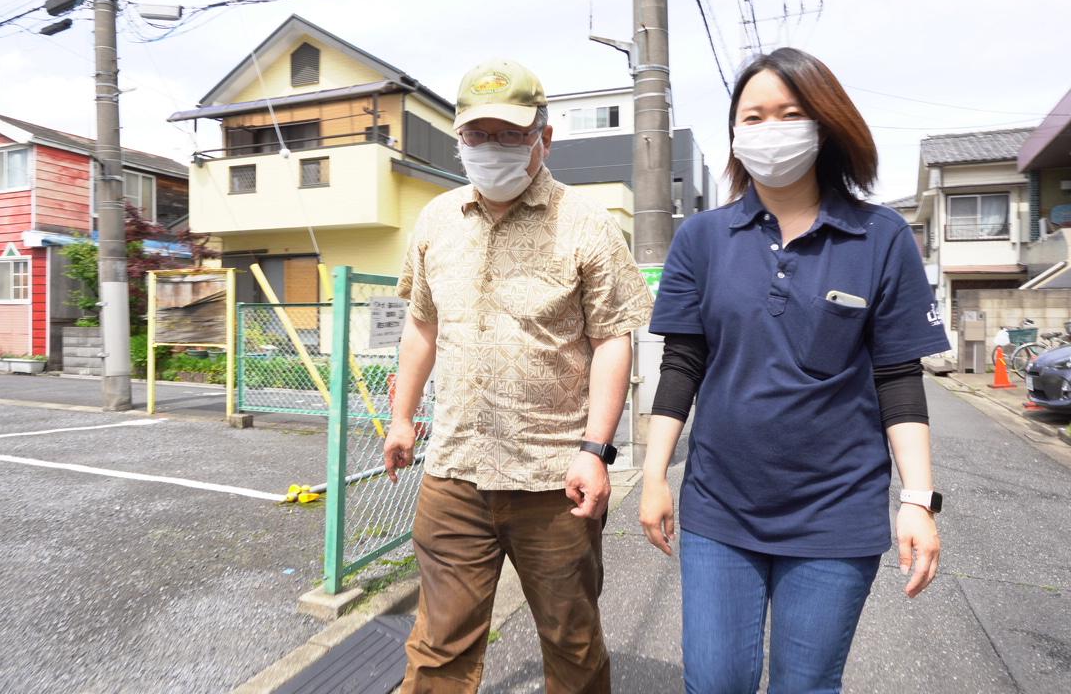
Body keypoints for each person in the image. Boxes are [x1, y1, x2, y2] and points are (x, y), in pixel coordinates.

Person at [638, 47, 951, 693]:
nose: (770, 130)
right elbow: (682, 363)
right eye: (753, 117)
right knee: (715, 681)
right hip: (720, 504)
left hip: (836, 509)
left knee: (805, 685)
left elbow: (897, 378)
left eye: (790, 113)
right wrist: (653, 476)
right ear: (734, 133)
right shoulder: (701, 238)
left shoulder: (880, 236)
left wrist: (917, 501)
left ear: (825, 126)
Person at [384, 58, 654, 694]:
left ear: (544, 137)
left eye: (510, 134)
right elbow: (421, 326)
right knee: (437, 644)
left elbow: (612, 340)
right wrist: (401, 418)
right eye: (478, 135)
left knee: (571, 640)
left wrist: (596, 450)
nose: (492, 147)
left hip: (554, 477)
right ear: (459, 138)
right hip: (454, 470)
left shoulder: (586, 224)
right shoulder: (436, 221)